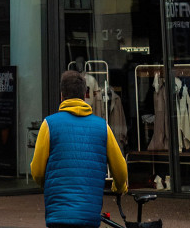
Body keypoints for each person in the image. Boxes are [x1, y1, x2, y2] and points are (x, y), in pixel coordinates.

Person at [31, 70, 128, 228]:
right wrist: (119, 187)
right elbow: (121, 170)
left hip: (58, 215)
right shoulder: (103, 127)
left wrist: (48, 183)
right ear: (84, 95)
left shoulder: (48, 124)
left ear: (62, 95)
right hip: (89, 216)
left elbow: (37, 172)